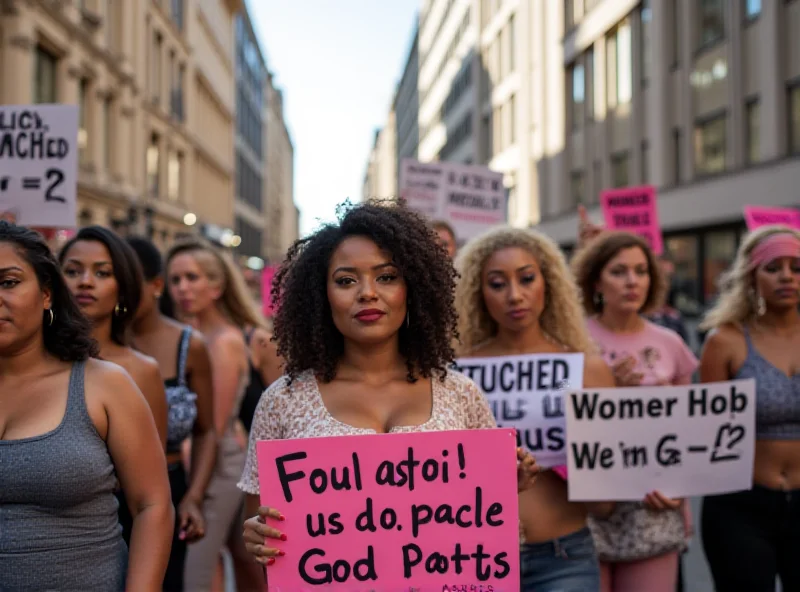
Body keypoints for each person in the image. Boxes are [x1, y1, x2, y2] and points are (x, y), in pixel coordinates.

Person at [236, 200, 539, 580]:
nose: (367, 293)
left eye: (387, 277)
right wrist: (257, 537)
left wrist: (507, 486)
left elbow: (494, 537)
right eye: (346, 280)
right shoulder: (282, 401)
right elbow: (263, 536)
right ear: (320, 295)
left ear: (412, 289)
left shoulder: (461, 393)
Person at [0, 222, 173, 590]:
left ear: (47, 293)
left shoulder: (106, 383)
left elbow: (152, 505)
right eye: (75, 270)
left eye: (8, 282)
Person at [455, 226, 616, 591]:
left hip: (564, 557)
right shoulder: (456, 374)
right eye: (497, 284)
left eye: (527, 278)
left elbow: (606, 503)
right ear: (478, 294)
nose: (515, 295)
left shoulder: (586, 369)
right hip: (475, 557)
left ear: (549, 284)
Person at [571, 231, 698, 592]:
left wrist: (680, 494)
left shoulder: (670, 343)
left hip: (653, 506)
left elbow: (691, 432)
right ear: (596, 280)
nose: (632, 281)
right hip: (586, 506)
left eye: (641, 271)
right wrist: (608, 390)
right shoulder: (570, 339)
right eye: (619, 271)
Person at [697, 225, 800, 592]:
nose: (786, 276)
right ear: (751, 277)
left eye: (796, 267)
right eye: (773, 267)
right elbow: (705, 429)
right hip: (740, 505)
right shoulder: (724, 341)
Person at [165, 238, 266, 591]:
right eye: (175, 280)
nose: (183, 289)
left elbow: (214, 422)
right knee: (240, 560)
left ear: (217, 285)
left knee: (197, 567)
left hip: (217, 465)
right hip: (213, 461)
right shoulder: (191, 335)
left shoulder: (222, 341)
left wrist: (189, 485)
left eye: (192, 278)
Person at [58, 226, 169, 545]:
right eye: (73, 270)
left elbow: (151, 490)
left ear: (123, 288)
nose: (85, 281)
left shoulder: (141, 370)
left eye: (102, 272)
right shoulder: (32, 364)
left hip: (114, 534)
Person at [127, 236, 218, 591]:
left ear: (155, 285)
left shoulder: (189, 345)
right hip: (98, 500)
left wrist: (194, 495)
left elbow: (208, 430)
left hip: (170, 489)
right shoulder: (87, 347)